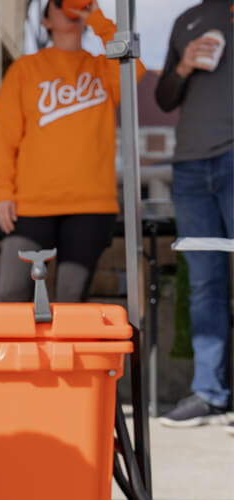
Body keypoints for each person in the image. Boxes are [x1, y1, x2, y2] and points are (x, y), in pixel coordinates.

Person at [0, 1, 144, 302]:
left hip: (91, 205)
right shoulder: (25, 69)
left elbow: (134, 70)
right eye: (58, 3)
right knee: (12, 297)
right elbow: (4, 138)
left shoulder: (102, 67)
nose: (68, 7)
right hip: (31, 205)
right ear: (45, 22)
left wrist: (96, 18)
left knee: (72, 303)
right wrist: (2, 190)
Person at [155, 1, 233, 428]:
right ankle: (209, 394)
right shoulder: (186, 21)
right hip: (189, 166)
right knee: (203, 281)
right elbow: (164, 99)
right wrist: (183, 66)